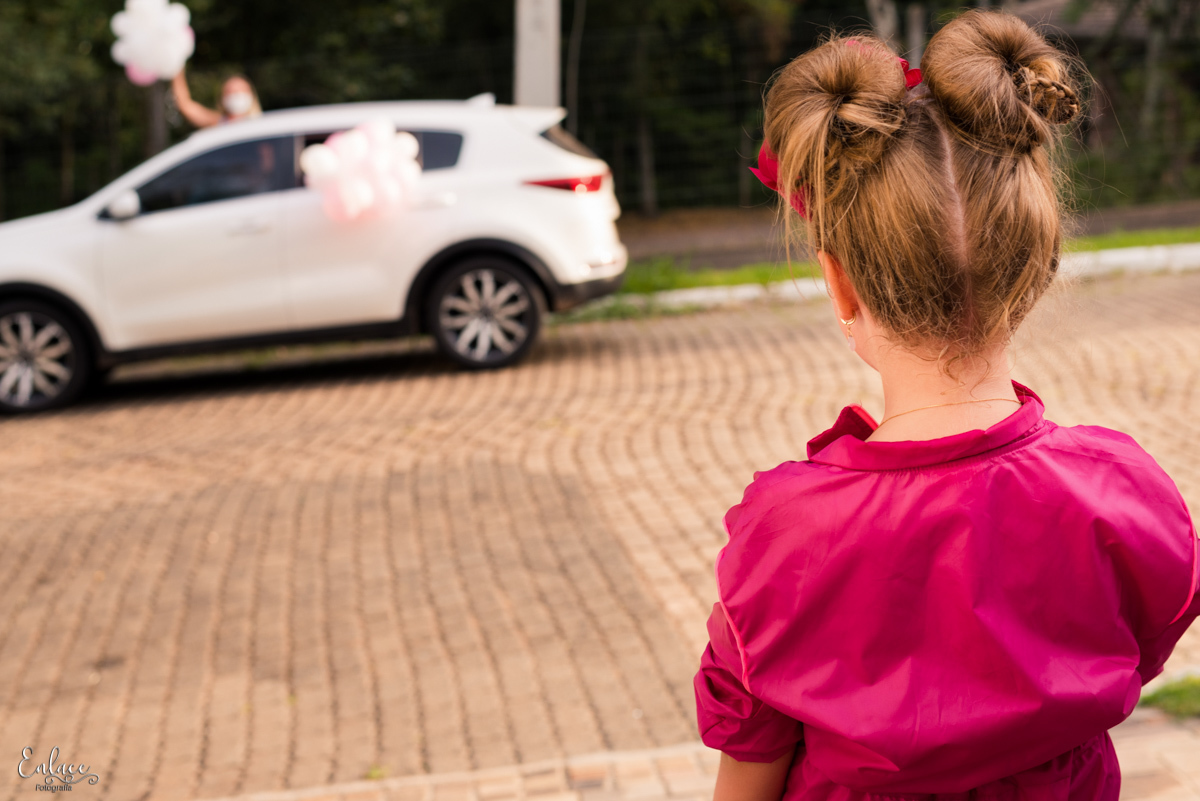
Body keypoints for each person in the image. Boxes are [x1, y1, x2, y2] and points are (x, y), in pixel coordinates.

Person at [694, 10, 1199, 801]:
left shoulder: (783, 535)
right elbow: (1137, 648)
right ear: (1038, 262)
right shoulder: (1124, 493)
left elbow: (747, 778)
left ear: (841, 282)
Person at [170, 69, 262, 128]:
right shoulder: (219, 123)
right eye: (230, 91)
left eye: (241, 90)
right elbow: (185, 105)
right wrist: (177, 65)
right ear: (222, 98)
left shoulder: (262, 126)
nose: (236, 94)